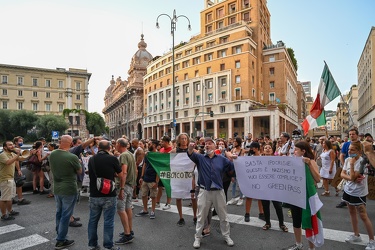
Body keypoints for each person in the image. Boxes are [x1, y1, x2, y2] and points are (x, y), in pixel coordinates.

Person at [187, 137, 234, 249]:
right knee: (201, 216)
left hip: (218, 191)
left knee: (223, 216)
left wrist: (232, 158)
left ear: (215, 146)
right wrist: (190, 148)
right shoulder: (200, 158)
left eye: (209, 143)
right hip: (204, 191)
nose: (207, 145)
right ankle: (197, 238)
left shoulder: (222, 159)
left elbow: (232, 168)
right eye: (205, 144)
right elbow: (190, 154)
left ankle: (227, 236)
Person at [285, 141, 320, 250]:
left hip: (307, 196)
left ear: (303, 151)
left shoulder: (311, 161)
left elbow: (317, 179)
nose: (294, 151)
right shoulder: (293, 161)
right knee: (296, 221)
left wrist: (309, 164)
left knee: (308, 221)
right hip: (295, 195)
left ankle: (311, 248)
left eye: (296, 150)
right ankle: (298, 244)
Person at [88, 140, 122, 250]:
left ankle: (93, 245)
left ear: (98, 147)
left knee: (93, 220)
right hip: (109, 194)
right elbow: (120, 175)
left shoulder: (92, 159)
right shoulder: (112, 159)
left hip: (94, 193)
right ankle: (108, 245)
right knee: (108, 221)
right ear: (109, 148)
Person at [340, 141, 375, 250]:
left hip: (358, 192)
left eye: (352, 150)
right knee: (351, 212)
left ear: (359, 151)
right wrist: (349, 176)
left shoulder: (362, 162)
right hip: (348, 190)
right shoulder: (346, 159)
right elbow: (342, 174)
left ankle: (372, 240)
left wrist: (351, 166)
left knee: (363, 215)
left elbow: (353, 177)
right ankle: (356, 235)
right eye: (349, 149)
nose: (349, 151)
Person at [50, 135, 82, 250]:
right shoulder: (72, 157)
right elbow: (79, 171)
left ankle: (60, 235)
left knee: (59, 213)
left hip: (57, 188)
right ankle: (61, 240)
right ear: (70, 143)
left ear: (60, 142)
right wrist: (78, 162)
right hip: (69, 188)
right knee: (66, 215)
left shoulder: (53, 154)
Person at [261, 144, 288, 232]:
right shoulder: (258, 160)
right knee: (265, 206)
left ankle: (282, 224)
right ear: (263, 150)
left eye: (269, 148)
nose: (268, 149)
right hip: (264, 187)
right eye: (266, 148)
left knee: (278, 206)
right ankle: (267, 223)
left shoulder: (277, 160)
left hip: (275, 187)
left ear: (272, 150)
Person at [115, 138, 137, 245]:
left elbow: (124, 172)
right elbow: (135, 169)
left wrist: (122, 189)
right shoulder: (130, 154)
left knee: (120, 209)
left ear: (119, 144)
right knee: (128, 208)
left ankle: (127, 234)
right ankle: (129, 230)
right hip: (130, 185)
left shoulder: (123, 155)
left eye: (116, 144)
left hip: (124, 185)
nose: (115, 146)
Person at [170, 133, 193, 226]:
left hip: (189, 177)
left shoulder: (192, 150)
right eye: (182, 139)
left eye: (185, 138)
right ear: (179, 140)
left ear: (188, 140)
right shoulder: (174, 151)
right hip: (178, 177)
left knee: (193, 197)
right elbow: (164, 159)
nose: (184, 140)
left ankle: (195, 217)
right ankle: (181, 217)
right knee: (178, 197)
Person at [137, 140, 160, 219]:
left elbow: (159, 169)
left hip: (153, 179)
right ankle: (145, 210)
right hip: (145, 178)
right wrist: (142, 177)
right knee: (144, 195)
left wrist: (156, 181)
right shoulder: (148, 154)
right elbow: (144, 165)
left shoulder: (158, 155)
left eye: (149, 144)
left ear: (154, 145)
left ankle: (153, 211)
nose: (148, 145)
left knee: (153, 196)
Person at [337, 129, 359, 208]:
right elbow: (342, 155)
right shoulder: (346, 144)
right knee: (347, 184)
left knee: (357, 184)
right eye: (350, 134)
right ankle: (345, 200)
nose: (351, 135)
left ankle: (358, 202)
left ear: (357, 135)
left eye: (353, 134)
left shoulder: (361, 144)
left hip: (358, 167)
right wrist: (344, 166)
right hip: (348, 166)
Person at [0, 141, 21, 221]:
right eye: (10, 145)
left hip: (11, 178)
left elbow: (20, 158)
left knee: (9, 197)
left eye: (12, 144)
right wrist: (17, 155)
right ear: (5, 147)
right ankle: (4, 215)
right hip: (5, 179)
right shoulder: (2, 155)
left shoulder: (12, 154)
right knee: (4, 198)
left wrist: (30, 154)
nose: (12, 146)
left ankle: (10, 211)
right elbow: (8, 162)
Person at [12, 136, 31, 205]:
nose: (21, 142)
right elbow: (16, 160)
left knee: (13, 184)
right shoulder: (15, 150)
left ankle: (11, 199)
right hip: (15, 169)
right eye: (20, 141)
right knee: (19, 184)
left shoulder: (17, 149)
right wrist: (19, 170)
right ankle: (20, 199)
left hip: (14, 169)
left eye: (22, 141)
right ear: (15, 142)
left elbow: (21, 158)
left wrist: (29, 155)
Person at [156, 136, 172, 210]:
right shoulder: (161, 150)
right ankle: (157, 202)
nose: (160, 143)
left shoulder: (172, 150)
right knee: (159, 187)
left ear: (166, 142)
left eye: (162, 141)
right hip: (161, 171)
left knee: (168, 187)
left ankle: (168, 203)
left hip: (169, 171)